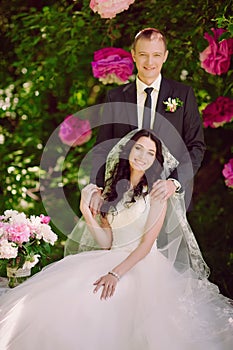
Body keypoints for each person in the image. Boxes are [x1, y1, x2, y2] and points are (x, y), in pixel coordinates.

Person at [0, 129, 232, 350]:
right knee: (67, 293)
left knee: (103, 300)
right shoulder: (112, 190)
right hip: (110, 257)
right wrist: (86, 211)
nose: (143, 156)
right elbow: (106, 243)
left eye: (150, 153)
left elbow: (146, 245)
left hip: (142, 264)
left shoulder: (157, 193)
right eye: (139, 149)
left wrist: (115, 273)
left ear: (155, 160)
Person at [90, 27, 205, 215]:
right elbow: (103, 146)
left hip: (167, 197)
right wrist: (96, 187)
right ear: (133, 55)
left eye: (156, 55)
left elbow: (196, 146)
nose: (150, 62)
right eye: (143, 54)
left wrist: (173, 182)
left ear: (165, 56)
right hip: (122, 197)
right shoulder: (116, 97)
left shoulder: (183, 94)